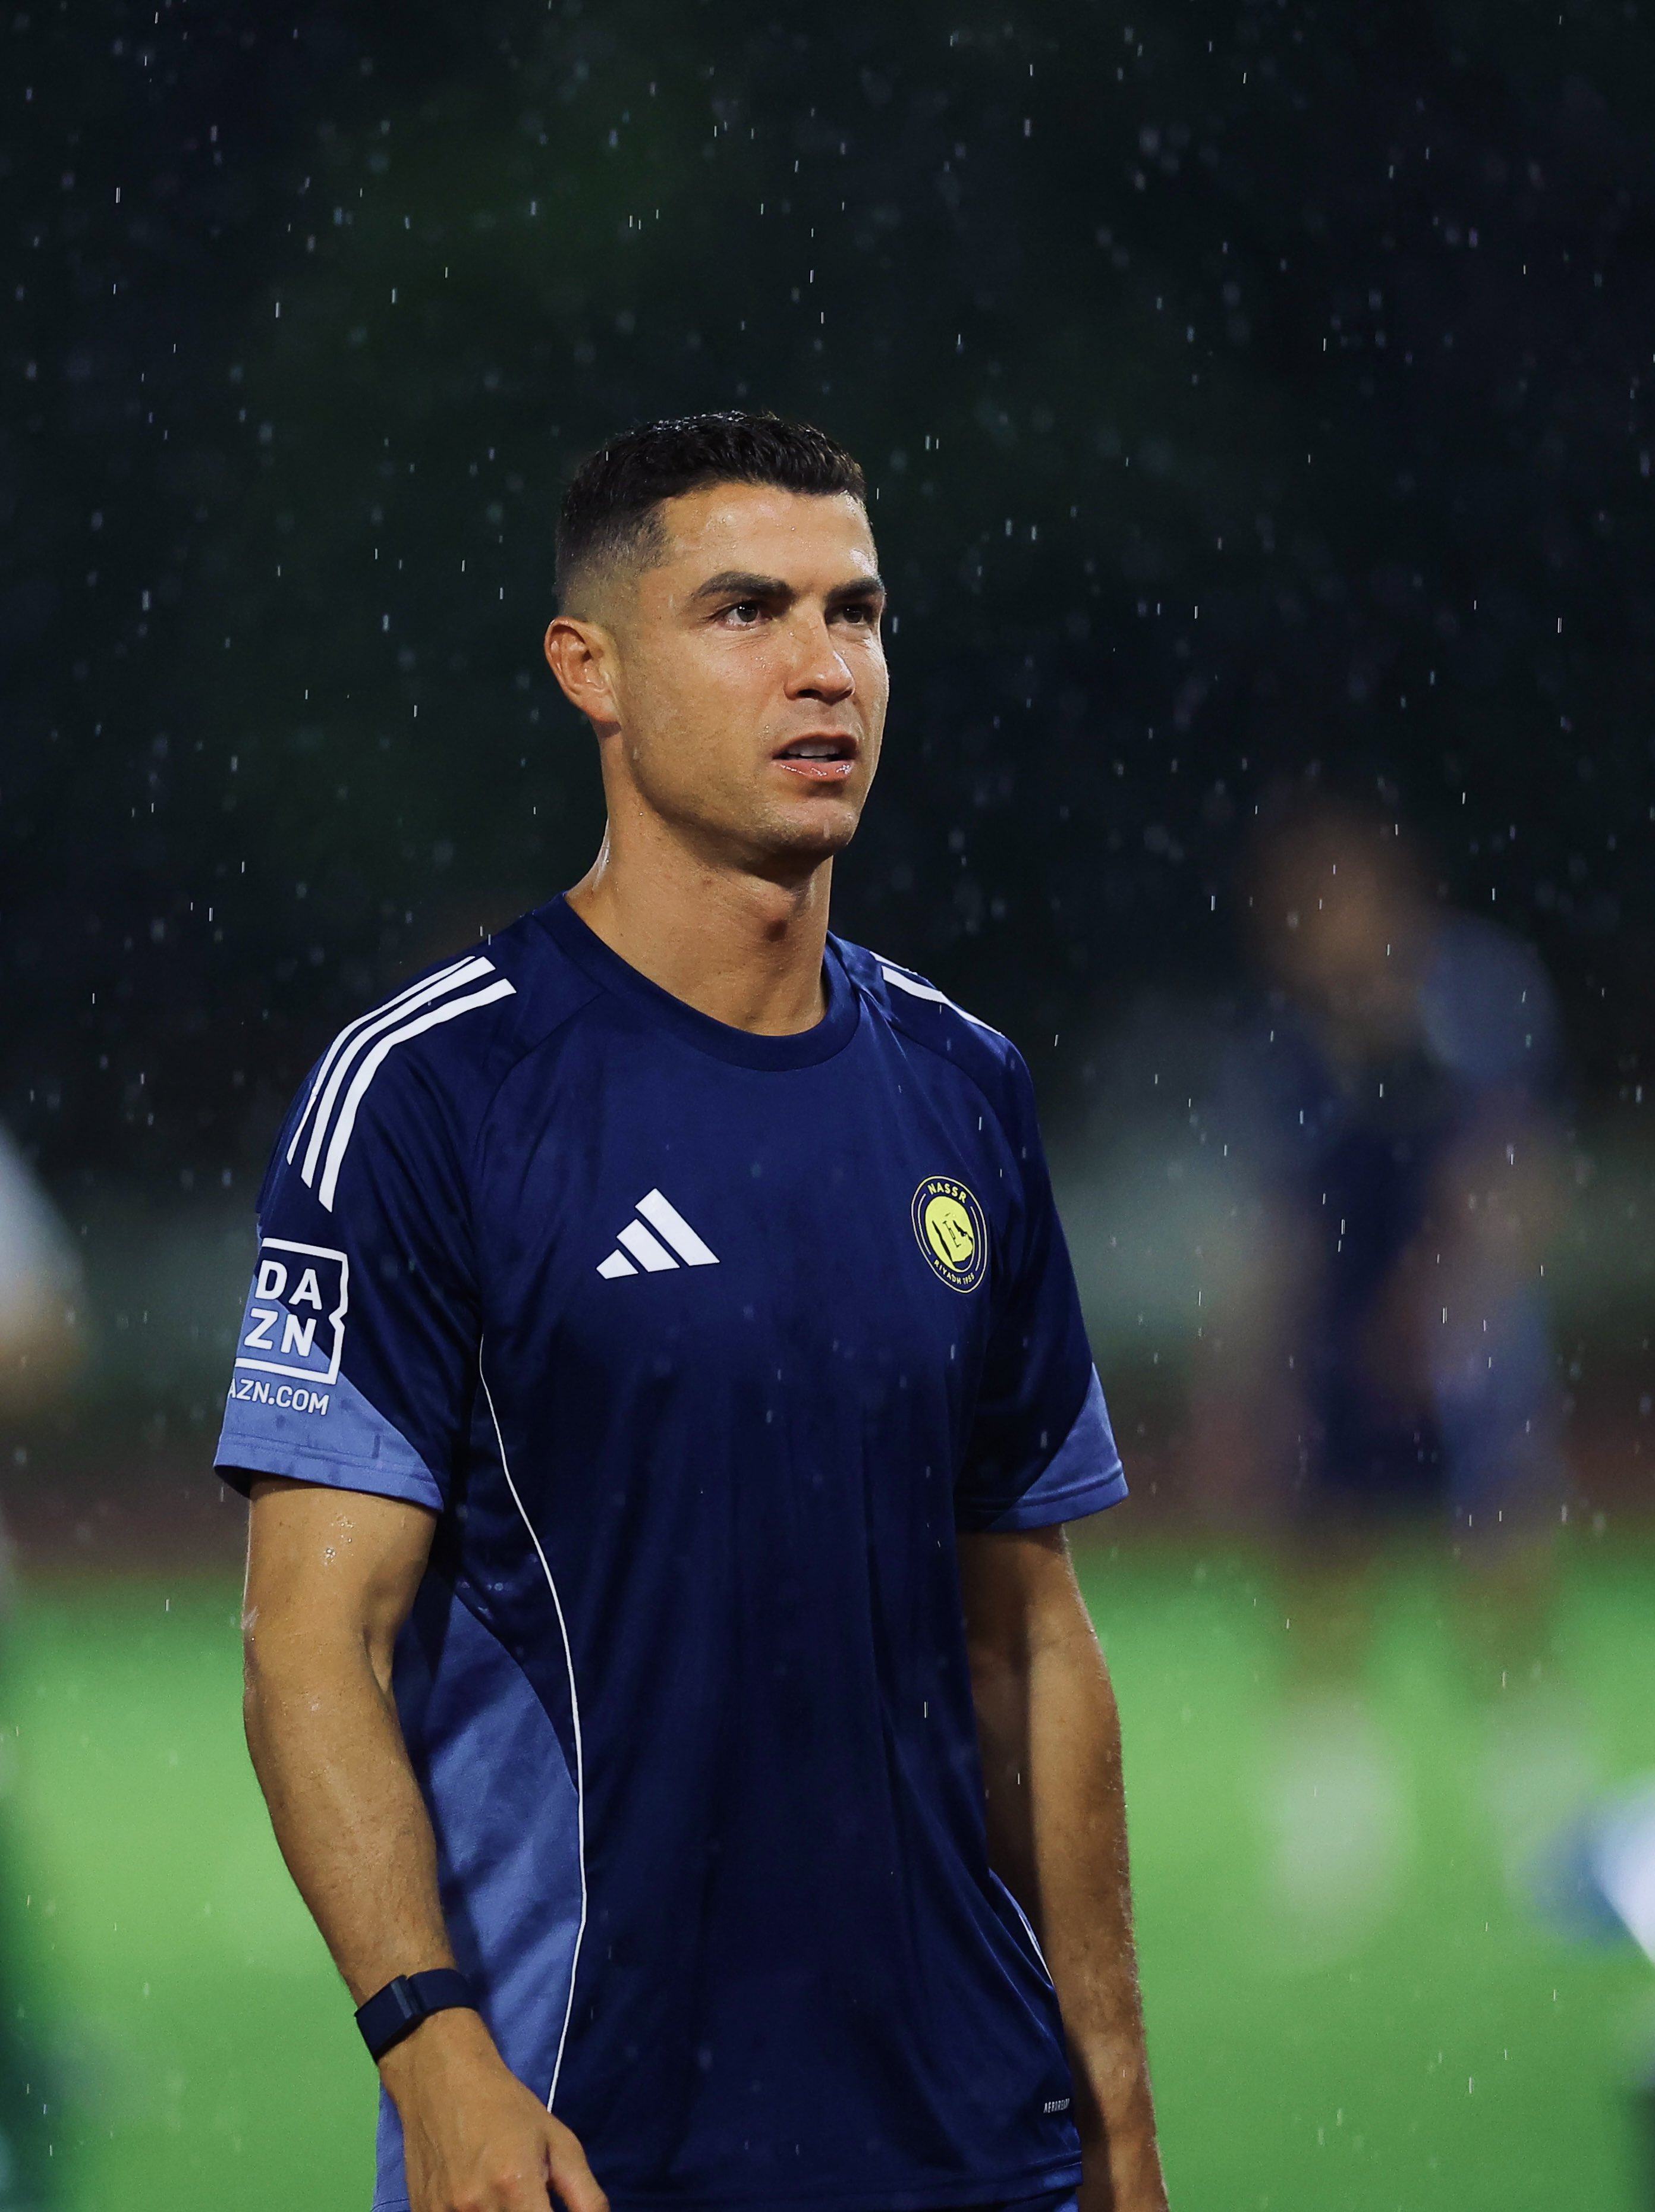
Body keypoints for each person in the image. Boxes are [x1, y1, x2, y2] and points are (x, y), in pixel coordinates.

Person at [218, 413, 1169, 2212]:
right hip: (587, 2143)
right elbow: (307, 1645)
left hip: (972, 2149)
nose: (825, 671)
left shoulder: (964, 1090)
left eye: (858, 613)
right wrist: (435, 2054)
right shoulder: (429, 1097)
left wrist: (1116, 2125)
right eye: (747, 611)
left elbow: (1027, 1641)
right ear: (592, 668)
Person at [1198, 796, 1578, 1941]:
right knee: (1322, 1589)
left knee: (1501, 1581)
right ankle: (1334, 1857)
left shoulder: (1476, 1005)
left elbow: (1520, 1171)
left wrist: (1448, 1309)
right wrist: (1246, 1386)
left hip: (1461, 1336)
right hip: (1336, 1343)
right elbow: (1269, 1230)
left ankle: (1550, 1841)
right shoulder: (1285, 1049)